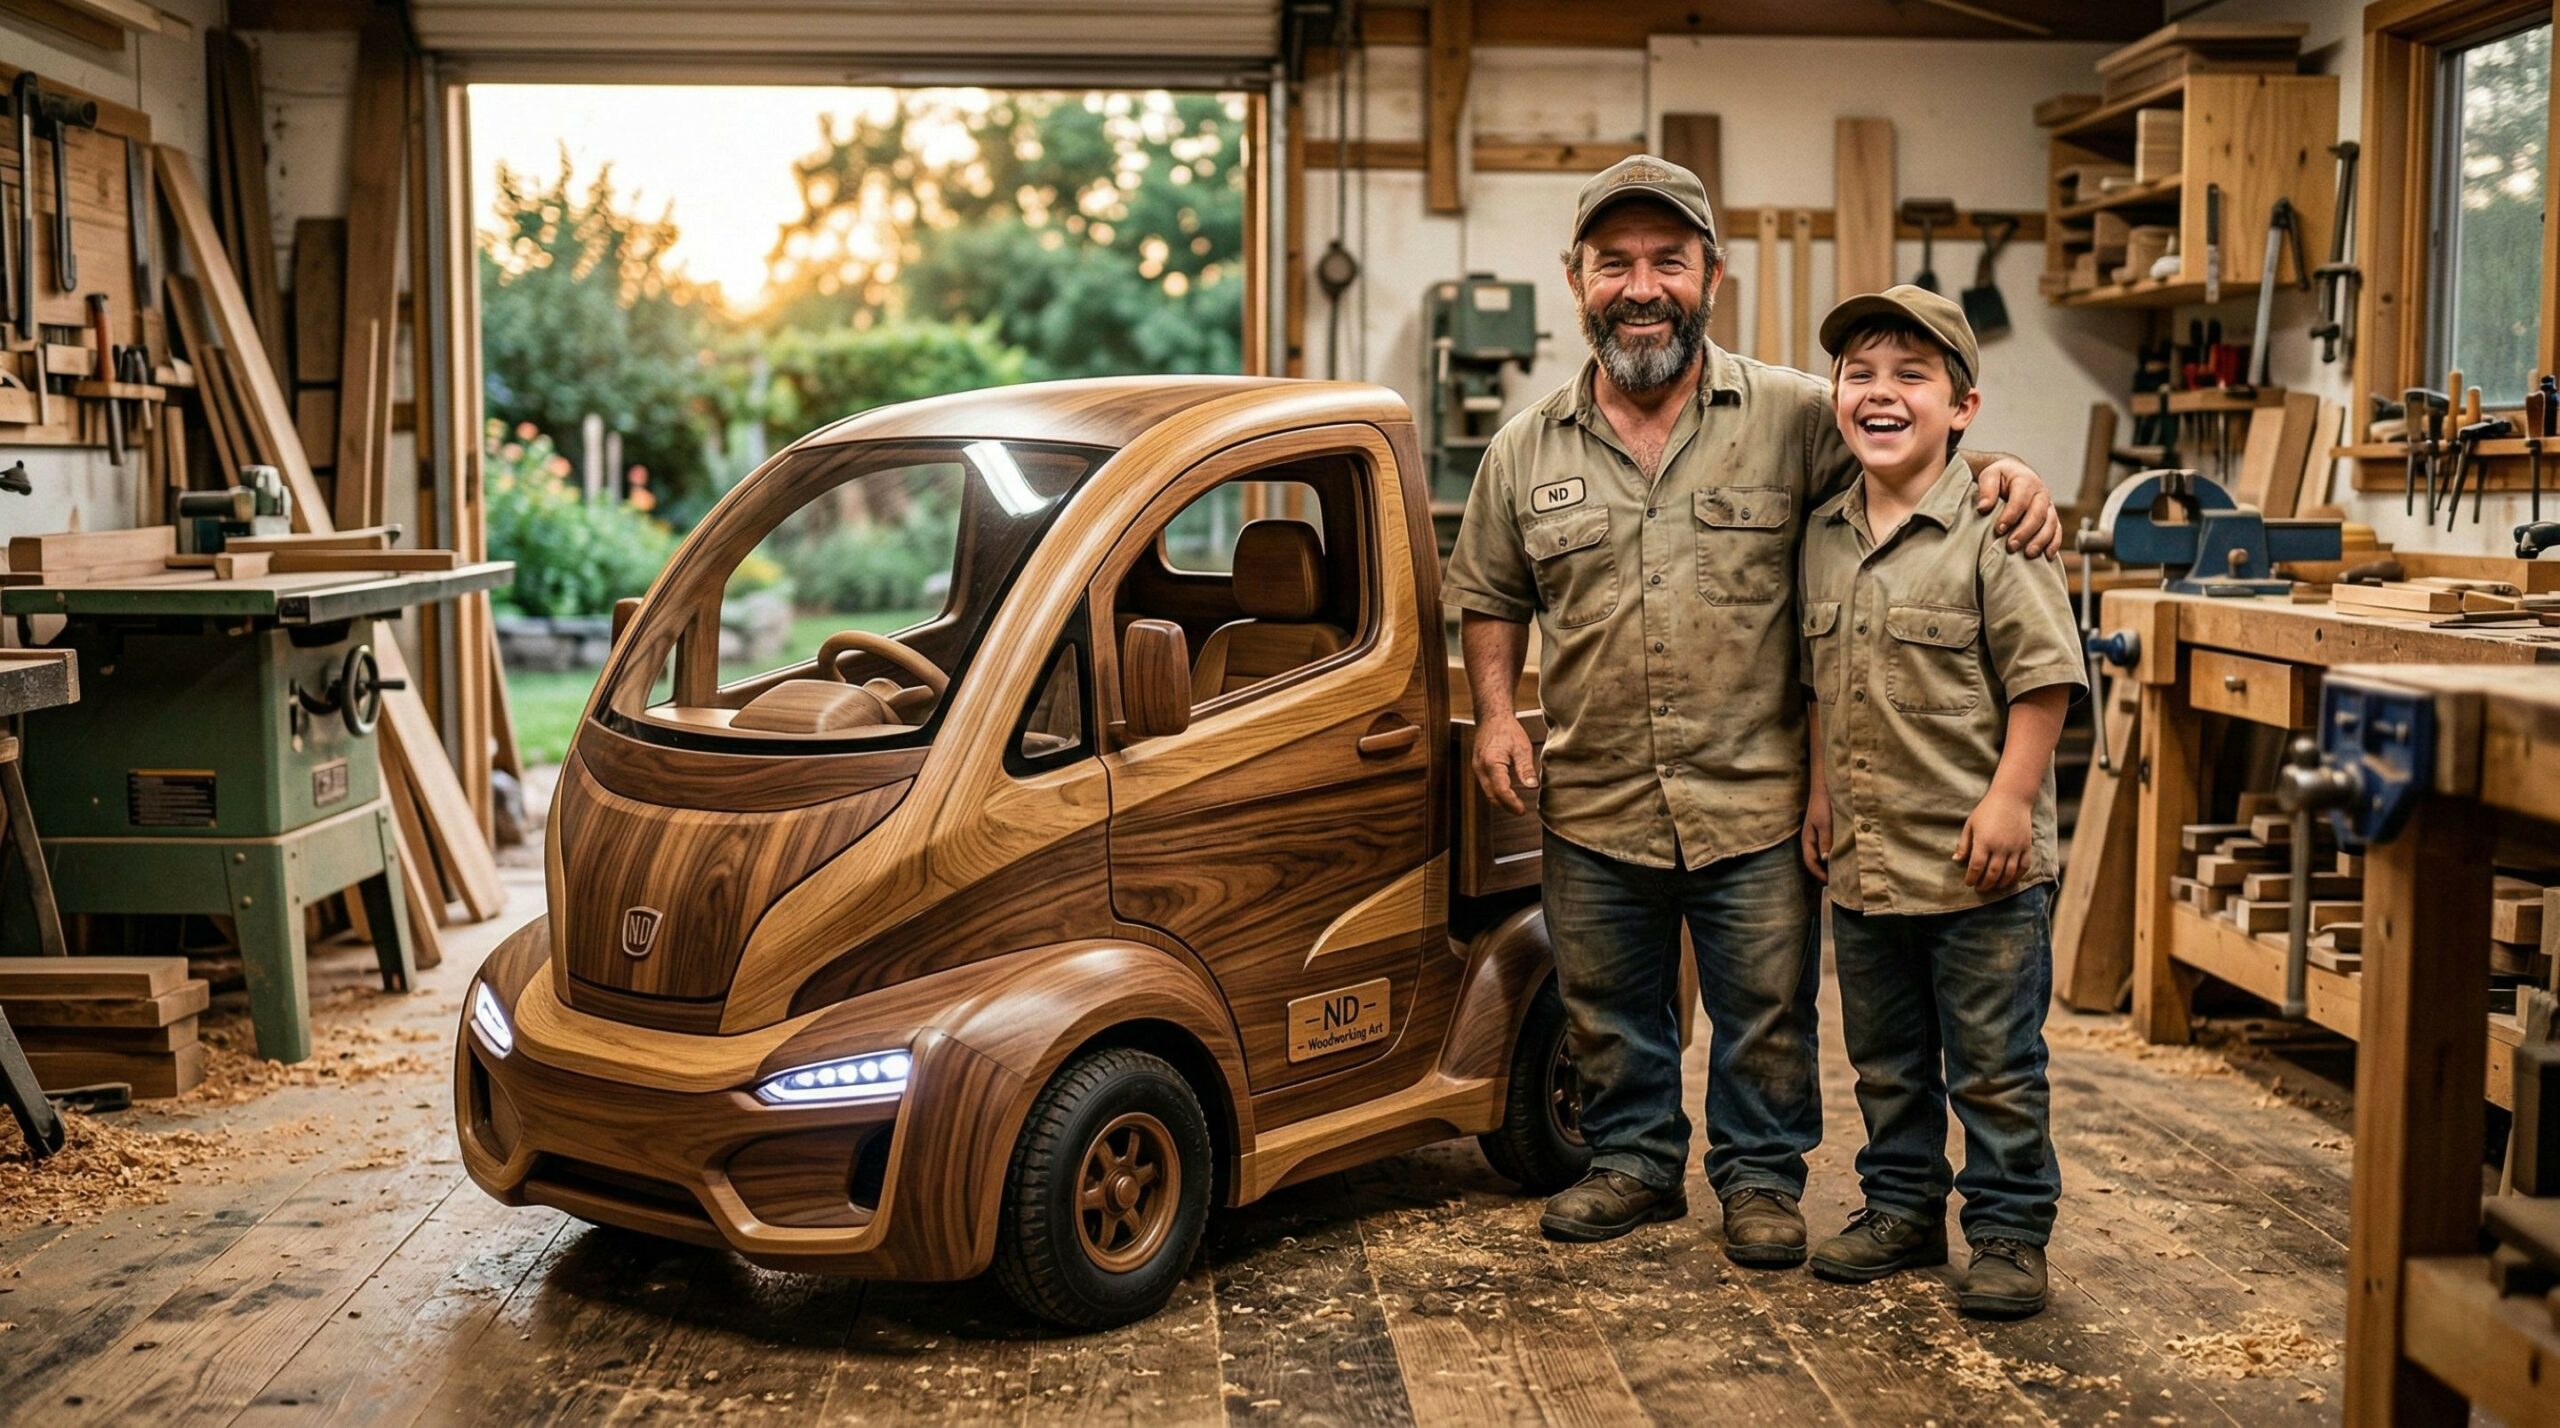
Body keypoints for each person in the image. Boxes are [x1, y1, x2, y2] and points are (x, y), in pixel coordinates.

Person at [1442, 154, 2063, 1263]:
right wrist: (1495, 713)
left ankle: (1762, 1179)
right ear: (1575, 281)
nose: (1642, 288)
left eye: (1668, 262)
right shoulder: (1522, 450)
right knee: (1606, 1005)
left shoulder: (1797, 416)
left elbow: (1912, 445)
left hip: (1758, 796)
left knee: (1767, 1014)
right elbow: (1491, 593)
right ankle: (1632, 1162)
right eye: (1614, 264)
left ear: (1711, 276)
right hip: (1595, 792)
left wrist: (2008, 471)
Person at [1795, 286, 2086, 1319]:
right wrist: (1821, 794)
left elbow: (2045, 678)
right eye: (1859, 374)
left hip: (1979, 868)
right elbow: (1821, 683)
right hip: (1869, 862)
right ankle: (1902, 1209)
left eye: (1909, 376)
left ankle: (2008, 1231)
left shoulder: (1999, 525)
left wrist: (2011, 800)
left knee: (1996, 1066)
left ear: (1962, 407)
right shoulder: (1822, 532)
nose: (1880, 394)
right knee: (1885, 1062)